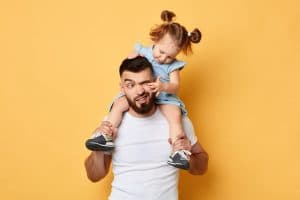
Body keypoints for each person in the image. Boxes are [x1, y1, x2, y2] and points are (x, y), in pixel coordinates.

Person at [86, 10, 202, 169]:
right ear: (155, 40)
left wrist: (163, 86)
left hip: (165, 97)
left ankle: (178, 151)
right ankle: (104, 135)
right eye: (161, 52)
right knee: (118, 105)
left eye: (169, 56)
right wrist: (130, 65)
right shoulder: (144, 51)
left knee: (175, 116)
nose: (163, 59)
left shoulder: (173, 66)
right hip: (143, 95)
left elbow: (175, 86)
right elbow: (128, 64)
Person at [84, 56, 208, 200]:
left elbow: (202, 167)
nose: (139, 91)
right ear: (122, 88)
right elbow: (94, 176)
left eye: (145, 83)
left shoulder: (177, 122)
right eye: (131, 85)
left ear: (155, 82)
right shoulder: (111, 123)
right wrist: (98, 149)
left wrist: (189, 158)